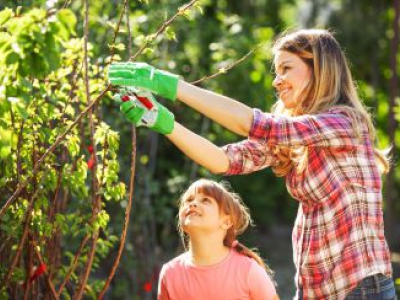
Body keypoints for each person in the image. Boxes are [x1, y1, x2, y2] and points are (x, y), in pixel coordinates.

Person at [108, 29, 396, 299]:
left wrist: (169, 84)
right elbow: (224, 160)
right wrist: (162, 121)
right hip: (316, 291)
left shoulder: (345, 123)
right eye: (276, 70)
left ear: (319, 69)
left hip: (359, 288)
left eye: (286, 68)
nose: (276, 80)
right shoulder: (295, 136)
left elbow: (259, 125)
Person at [157, 178, 278, 300]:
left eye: (205, 200)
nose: (192, 204)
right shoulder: (170, 273)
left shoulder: (248, 271)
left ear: (226, 222)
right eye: (188, 200)